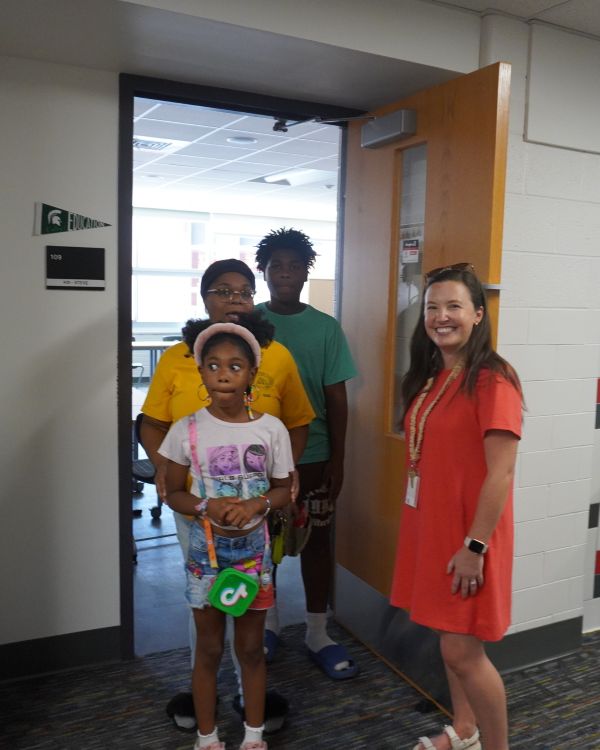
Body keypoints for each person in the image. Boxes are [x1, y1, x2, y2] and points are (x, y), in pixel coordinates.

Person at [140, 259, 314, 731]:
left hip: (258, 505)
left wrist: (281, 479)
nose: (234, 299)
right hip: (197, 508)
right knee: (205, 602)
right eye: (222, 290)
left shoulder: (276, 355)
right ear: (204, 298)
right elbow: (152, 423)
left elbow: (297, 422)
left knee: (252, 602)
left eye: (244, 291)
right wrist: (166, 470)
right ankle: (205, 701)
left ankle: (246, 693)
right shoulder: (178, 357)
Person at [389, 263, 522, 750]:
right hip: (435, 525)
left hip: (471, 534)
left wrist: (475, 546)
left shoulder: (493, 380)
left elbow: (501, 473)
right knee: (449, 638)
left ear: (478, 314)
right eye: (432, 307)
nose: (441, 316)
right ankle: (465, 730)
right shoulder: (433, 375)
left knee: (463, 652)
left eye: (454, 306)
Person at [159, 319, 294, 750]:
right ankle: (207, 736)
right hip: (207, 557)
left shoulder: (271, 429)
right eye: (213, 365)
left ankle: (253, 736)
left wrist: (256, 505)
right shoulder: (186, 430)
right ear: (201, 372)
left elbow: (284, 489)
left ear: (252, 373)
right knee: (209, 649)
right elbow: (173, 493)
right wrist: (207, 506)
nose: (223, 374)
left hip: (254, 556)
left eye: (235, 366)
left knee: (251, 649)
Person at [255, 228, 359, 680]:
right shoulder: (249, 324)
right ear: (263, 272)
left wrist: (338, 458)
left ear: (305, 272)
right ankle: (268, 626)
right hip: (257, 460)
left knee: (316, 544)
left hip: (314, 456)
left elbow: (337, 398)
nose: (284, 273)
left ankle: (318, 633)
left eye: (294, 265)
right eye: (276, 265)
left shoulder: (326, 328)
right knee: (263, 547)